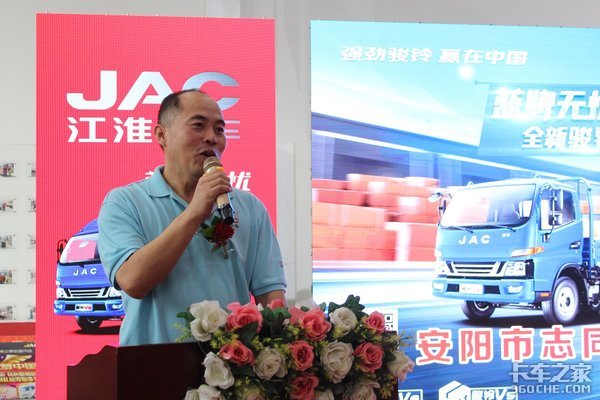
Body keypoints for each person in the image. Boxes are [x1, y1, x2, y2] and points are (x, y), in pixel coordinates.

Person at [98, 89, 287, 346]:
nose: (211, 137)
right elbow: (132, 281)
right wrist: (195, 212)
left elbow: (271, 296)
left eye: (219, 130)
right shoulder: (124, 202)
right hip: (151, 363)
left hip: (232, 363)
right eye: (198, 125)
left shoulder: (250, 207)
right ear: (161, 135)